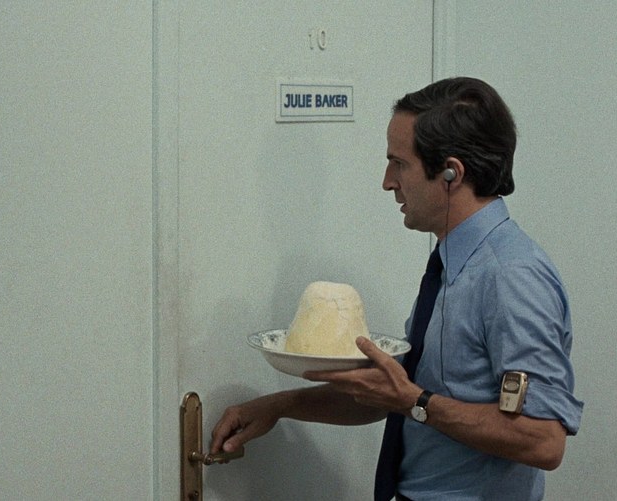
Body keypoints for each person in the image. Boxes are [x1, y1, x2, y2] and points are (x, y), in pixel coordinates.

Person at [210, 77, 583, 500]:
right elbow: (395, 394)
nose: (388, 182)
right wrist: (279, 406)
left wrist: (414, 401)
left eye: (399, 164)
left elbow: (542, 440)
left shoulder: (511, 276)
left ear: (451, 173)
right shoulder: (454, 265)